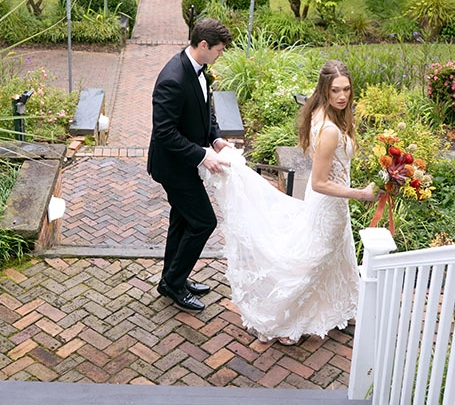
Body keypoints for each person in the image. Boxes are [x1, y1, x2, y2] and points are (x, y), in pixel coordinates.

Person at [202, 59, 377, 344]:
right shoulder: (330, 129)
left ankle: (343, 305)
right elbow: (319, 182)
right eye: (335, 90)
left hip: (328, 201)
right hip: (327, 201)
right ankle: (287, 319)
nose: (342, 96)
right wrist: (362, 193)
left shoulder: (320, 112)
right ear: (325, 89)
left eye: (346, 89)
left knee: (336, 251)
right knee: (316, 257)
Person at [147, 18, 234, 313]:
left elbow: (205, 110)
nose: (221, 54)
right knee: (203, 222)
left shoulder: (199, 69)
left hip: (186, 164)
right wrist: (202, 155)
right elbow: (164, 132)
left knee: (183, 220)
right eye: (219, 50)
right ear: (204, 45)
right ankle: (174, 284)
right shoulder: (172, 78)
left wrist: (216, 139)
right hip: (173, 167)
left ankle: (171, 278)